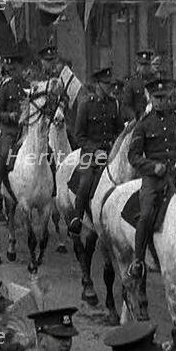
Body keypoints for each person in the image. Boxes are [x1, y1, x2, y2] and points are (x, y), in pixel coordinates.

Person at [126, 78, 176, 279]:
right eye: (157, 98)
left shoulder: (174, 119)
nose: (161, 102)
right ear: (151, 98)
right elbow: (133, 156)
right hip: (153, 179)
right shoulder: (144, 124)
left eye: (164, 98)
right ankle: (138, 261)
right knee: (146, 213)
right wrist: (152, 166)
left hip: (173, 176)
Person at [68, 67, 124, 234]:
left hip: (111, 153)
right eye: (106, 84)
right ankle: (77, 217)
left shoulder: (114, 103)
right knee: (85, 181)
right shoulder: (86, 104)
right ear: (97, 84)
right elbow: (79, 136)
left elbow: (119, 130)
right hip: (90, 155)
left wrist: (115, 145)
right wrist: (95, 151)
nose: (110, 87)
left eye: (110, 84)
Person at [0, 53, 28, 198]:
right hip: (10, 130)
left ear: (21, 68)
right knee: (3, 153)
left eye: (16, 69)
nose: (14, 73)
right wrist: (9, 116)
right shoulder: (5, 87)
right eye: (11, 70)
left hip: (28, 129)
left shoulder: (28, 86)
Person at [122, 50, 156, 122]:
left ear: (150, 65)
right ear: (138, 66)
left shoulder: (155, 82)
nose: (144, 68)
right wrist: (135, 117)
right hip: (139, 120)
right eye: (142, 64)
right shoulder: (132, 83)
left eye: (146, 65)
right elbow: (126, 105)